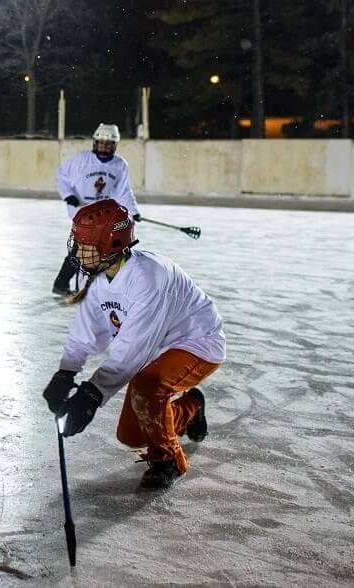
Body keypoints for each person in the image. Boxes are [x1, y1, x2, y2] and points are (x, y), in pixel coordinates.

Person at [43, 199, 225, 490]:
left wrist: (90, 395)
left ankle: (169, 461)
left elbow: (131, 352)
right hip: (155, 351)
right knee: (132, 436)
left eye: (84, 246)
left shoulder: (147, 278)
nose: (77, 253)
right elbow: (84, 333)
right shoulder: (100, 278)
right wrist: (65, 374)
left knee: (147, 386)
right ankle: (191, 407)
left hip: (197, 344)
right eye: (76, 244)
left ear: (110, 243)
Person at [52, 123, 140, 297]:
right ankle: (70, 286)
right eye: (100, 143)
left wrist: (132, 210)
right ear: (95, 142)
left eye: (108, 144)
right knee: (82, 250)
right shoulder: (81, 160)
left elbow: (124, 191)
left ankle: (70, 285)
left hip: (103, 216)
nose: (104, 147)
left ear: (114, 145)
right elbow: (61, 176)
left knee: (98, 251)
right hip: (82, 214)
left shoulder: (120, 165)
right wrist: (69, 195)